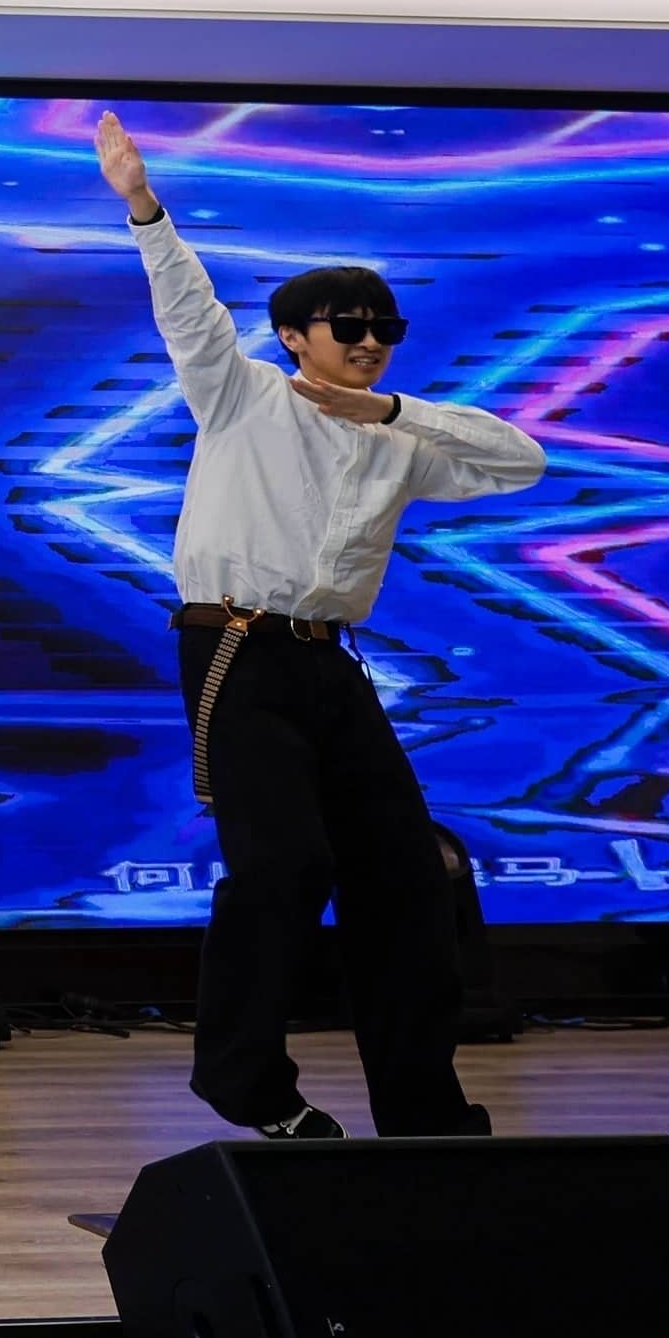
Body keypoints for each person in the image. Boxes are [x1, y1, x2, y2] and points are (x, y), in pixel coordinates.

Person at [91, 109, 545, 1141]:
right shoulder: (242, 395)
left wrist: (398, 413)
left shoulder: (403, 437)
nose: (370, 342)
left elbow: (522, 461)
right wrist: (145, 208)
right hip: (236, 649)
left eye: (385, 328)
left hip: (333, 664)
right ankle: (246, 1081)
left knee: (408, 881)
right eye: (348, 326)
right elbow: (190, 310)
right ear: (296, 336)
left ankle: (424, 1114)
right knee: (285, 866)